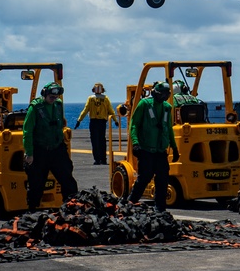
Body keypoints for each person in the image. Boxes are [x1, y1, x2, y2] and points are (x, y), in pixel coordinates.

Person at [22, 82, 79, 211]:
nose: (53, 99)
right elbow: (27, 131)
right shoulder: (35, 108)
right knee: (36, 183)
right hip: (40, 150)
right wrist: (29, 153)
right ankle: (32, 209)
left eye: (56, 97)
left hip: (56, 149)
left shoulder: (58, 105)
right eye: (51, 97)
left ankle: (71, 207)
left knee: (68, 180)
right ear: (45, 94)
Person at [129, 81, 180, 212]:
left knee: (163, 179)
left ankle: (160, 209)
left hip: (160, 151)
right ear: (155, 93)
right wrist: (135, 143)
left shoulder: (167, 108)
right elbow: (134, 124)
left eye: (165, 95)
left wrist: (174, 147)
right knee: (144, 177)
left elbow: (169, 128)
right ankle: (131, 202)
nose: (163, 97)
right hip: (146, 149)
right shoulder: (144, 105)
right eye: (161, 94)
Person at [74, 83, 117, 165]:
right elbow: (111, 110)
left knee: (95, 141)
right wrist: (115, 120)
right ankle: (103, 159)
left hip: (93, 122)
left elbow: (85, 110)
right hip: (102, 123)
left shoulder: (90, 99)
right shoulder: (105, 99)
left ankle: (97, 160)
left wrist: (79, 120)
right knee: (102, 141)